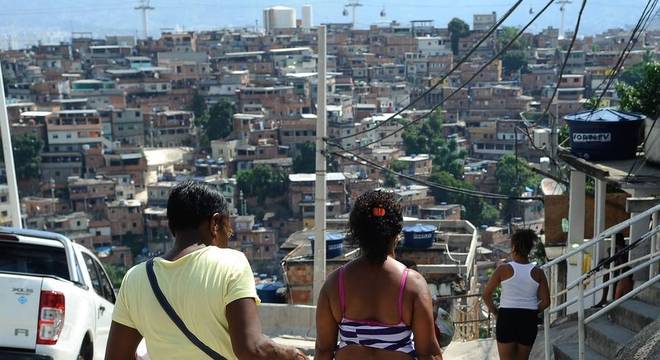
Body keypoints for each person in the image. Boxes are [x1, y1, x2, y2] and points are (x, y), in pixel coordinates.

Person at [105, 181, 306, 360]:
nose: (228, 236)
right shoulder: (231, 263)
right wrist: (291, 354)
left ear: (172, 226)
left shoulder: (135, 278)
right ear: (215, 223)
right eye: (228, 228)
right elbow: (251, 349)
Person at [315, 190, 442, 360]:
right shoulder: (413, 284)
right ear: (397, 234)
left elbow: (324, 351)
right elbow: (428, 353)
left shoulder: (334, 285)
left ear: (356, 233)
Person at [482, 229, 550, 360]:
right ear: (529, 249)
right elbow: (546, 302)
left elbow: (486, 295)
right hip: (528, 319)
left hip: (506, 317)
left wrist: (496, 313)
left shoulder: (503, 269)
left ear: (514, 247)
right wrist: (532, 311)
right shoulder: (538, 273)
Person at [594, 233, 629, 307]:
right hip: (615, 270)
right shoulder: (612, 249)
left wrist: (619, 251)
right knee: (608, 274)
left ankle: (612, 299)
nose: (616, 243)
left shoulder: (626, 248)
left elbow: (622, 262)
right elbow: (609, 259)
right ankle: (603, 299)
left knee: (613, 273)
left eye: (617, 241)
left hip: (624, 270)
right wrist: (601, 262)